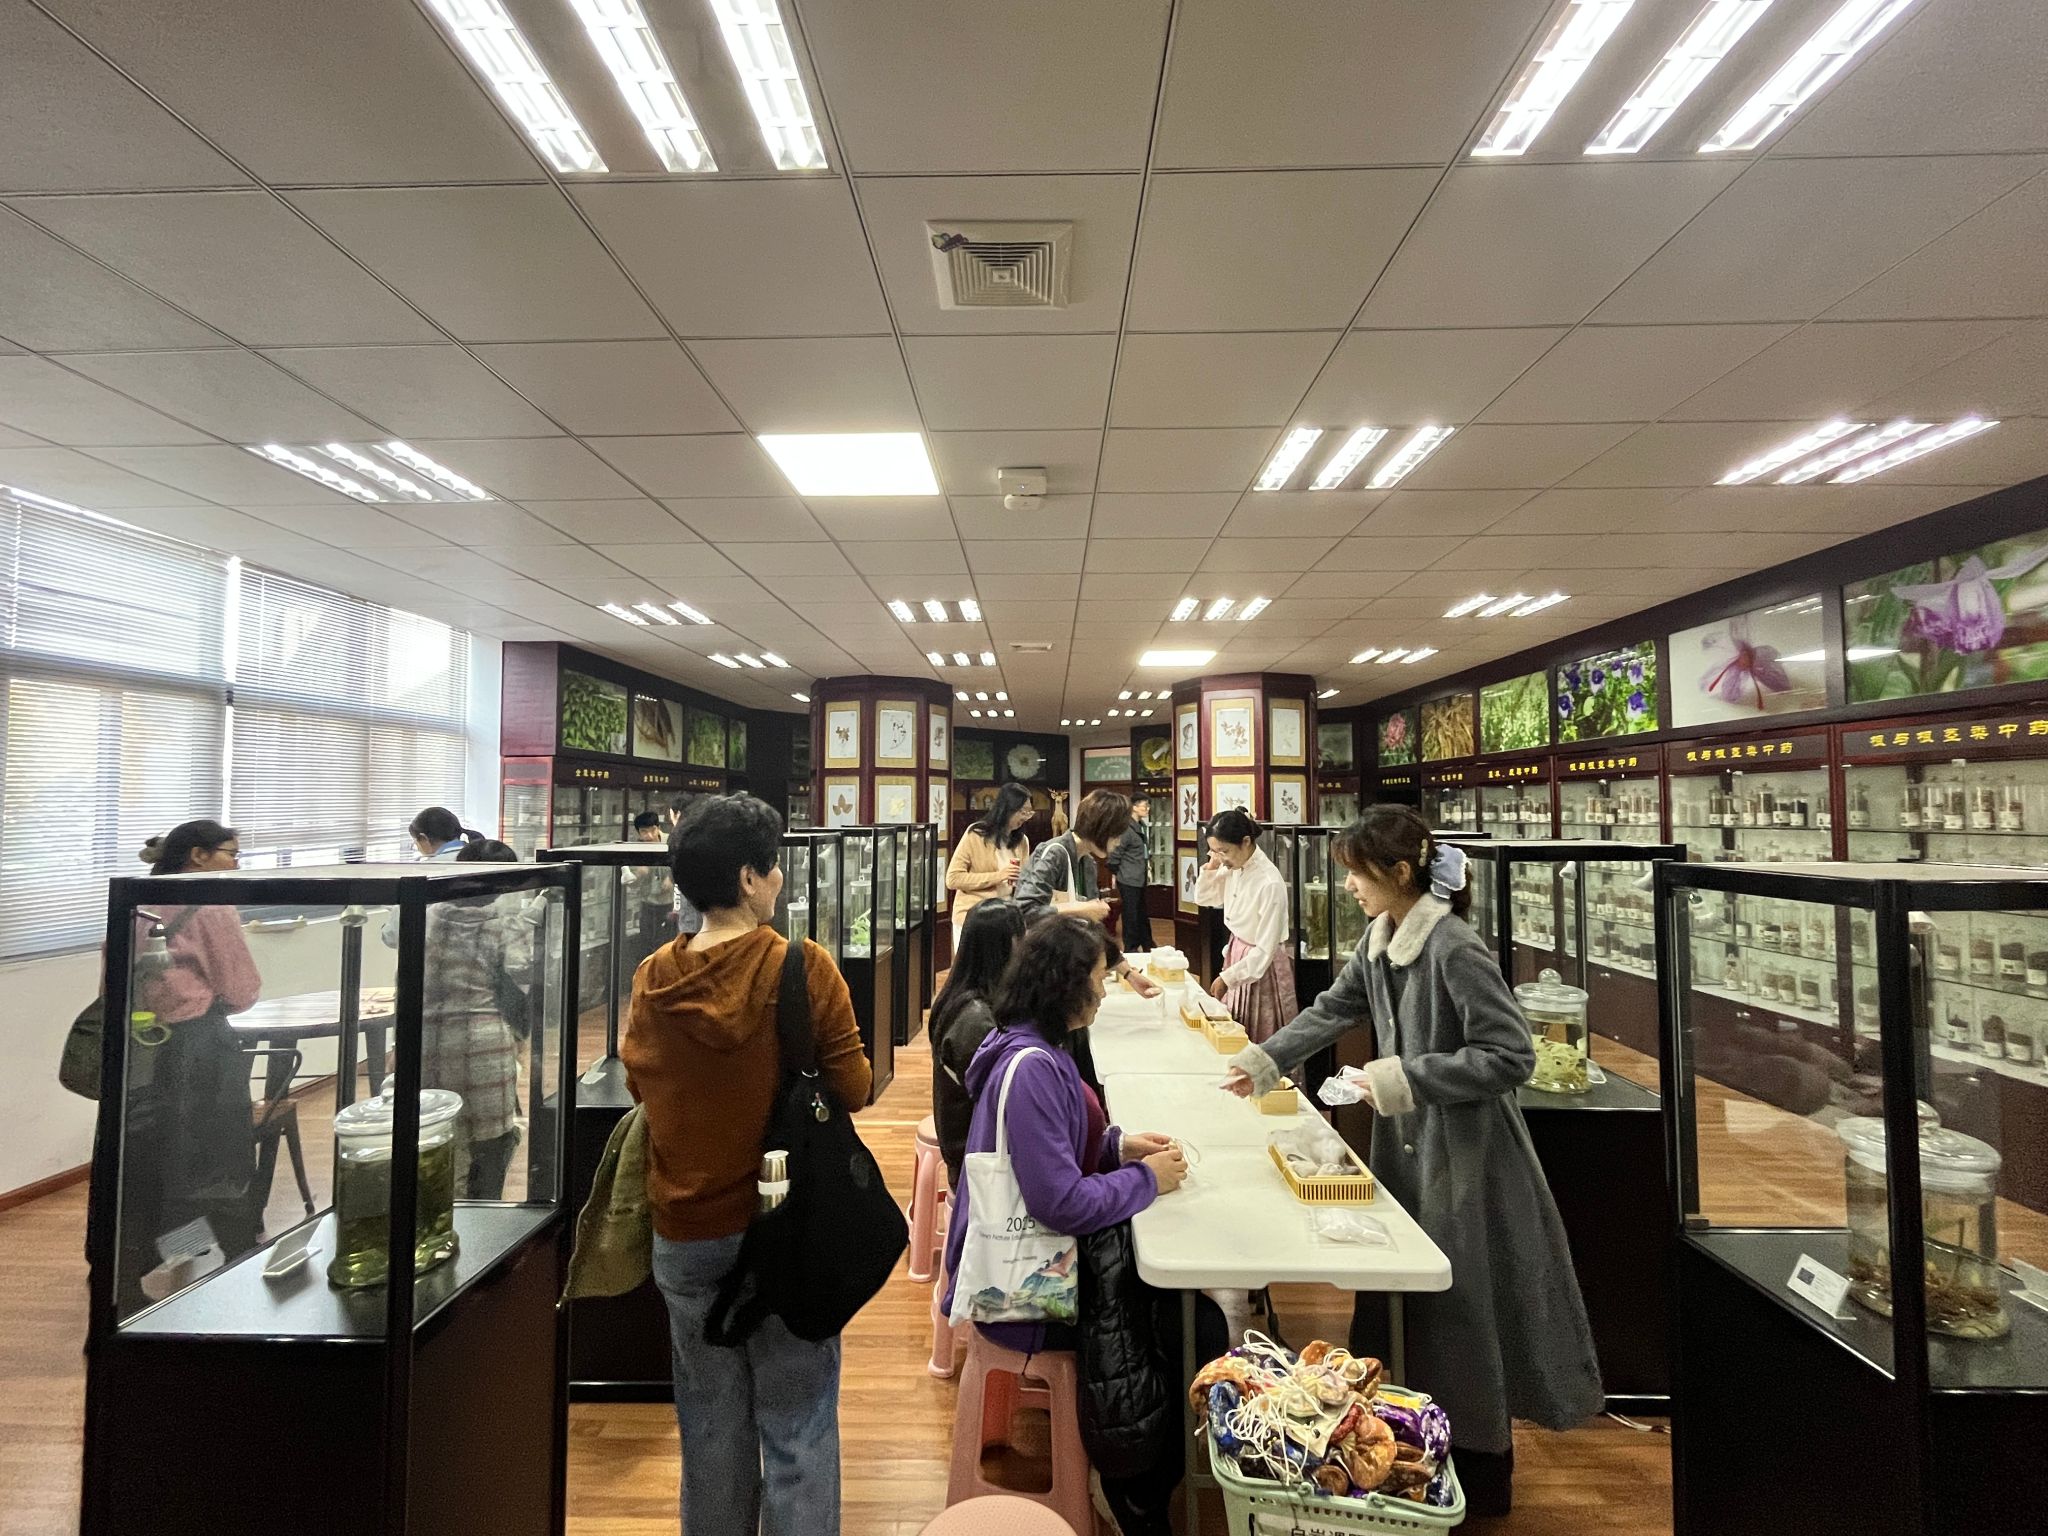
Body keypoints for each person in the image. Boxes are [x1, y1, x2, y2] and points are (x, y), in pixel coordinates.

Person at [1222, 806, 1601, 1517]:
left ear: (1400, 873)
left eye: (1359, 874)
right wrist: (1263, 1060)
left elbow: (1510, 1055)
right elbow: (1333, 1009)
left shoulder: (1454, 946)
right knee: (1407, 1297)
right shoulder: (1380, 939)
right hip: (1409, 1145)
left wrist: (1403, 1077)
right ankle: (1410, 1452)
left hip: (1467, 1155)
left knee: (1461, 1311)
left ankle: (1481, 1475)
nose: (1350, 887)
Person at [623, 794, 871, 1536]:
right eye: (774, 867)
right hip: (783, 1225)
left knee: (708, 1427)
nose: (780, 880)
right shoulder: (802, 966)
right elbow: (854, 1087)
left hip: (685, 1228)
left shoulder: (653, 979)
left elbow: (641, 1085)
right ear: (748, 878)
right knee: (799, 1423)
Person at [940, 915, 1188, 1535]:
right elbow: (1060, 1202)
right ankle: (1135, 1486)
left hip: (1035, 1264)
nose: (1104, 992)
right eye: (1098, 979)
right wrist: (1145, 1180)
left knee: (1172, 1305)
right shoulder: (1033, 1068)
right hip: (1024, 1295)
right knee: (1179, 1318)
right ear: (1065, 986)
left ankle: (1144, 1476)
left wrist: (1117, 1147)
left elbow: (1055, 1149)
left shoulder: (1032, 1047)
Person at [117, 821, 261, 1313]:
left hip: (138, 1049)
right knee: (215, 1160)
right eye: (231, 853)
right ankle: (235, 1261)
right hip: (198, 1049)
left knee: (144, 1165)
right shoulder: (210, 903)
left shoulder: (136, 901)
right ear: (198, 856)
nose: (236, 863)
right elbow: (241, 987)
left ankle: (126, 1277)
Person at [417, 839, 532, 1200]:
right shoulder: (504, 924)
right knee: (490, 1146)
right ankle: (483, 1219)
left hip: (428, 1042)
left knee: (439, 1143)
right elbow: (521, 981)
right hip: (486, 1046)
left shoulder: (428, 916)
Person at [929, 898, 1027, 1187]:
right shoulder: (976, 1020)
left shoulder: (968, 998)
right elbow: (1004, 1099)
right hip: (979, 1165)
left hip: (976, 1150)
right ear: (1005, 946)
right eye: (1022, 938)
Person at [1193, 809, 1297, 1044]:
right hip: (1237, 953)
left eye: (1224, 851)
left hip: (1260, 964)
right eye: (1215, 851)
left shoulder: (1269, 882)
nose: (1221, 857)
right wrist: (1212, 864)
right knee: (1235, 1025)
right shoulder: (1234, 866)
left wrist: (1228, 978)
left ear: (1246, 842)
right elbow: (1204, 898)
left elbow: (1265, 949)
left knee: (1258, 1032)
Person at [1012, 789, 1131, 923]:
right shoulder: (1054, 853)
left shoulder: (1088, 862)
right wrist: (1077, 909)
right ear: (1101, 828)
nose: (1118, 842)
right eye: (1116, 834)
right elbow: (1024, 911)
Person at [946, 782, 1031, 947]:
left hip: (1006, 919)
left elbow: (1024, 881)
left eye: (1029, 812)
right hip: (974, 918)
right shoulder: (976, 834)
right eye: (1022, 811)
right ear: (1007, 808)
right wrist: (998, 876)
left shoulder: (1022, 841)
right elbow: (953, 879)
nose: (1025, 817)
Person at [384, 806, 484, 946]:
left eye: (416, 842)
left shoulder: (426, 871)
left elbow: (394, 935)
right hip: (484, 946)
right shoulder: (483, 859)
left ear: (423, 838)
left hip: (442, 951)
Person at [1109, 796, 1154, 953]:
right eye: (1144, 806)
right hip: (1128, 879)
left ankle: (1147, 943)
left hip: (1139, 878)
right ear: (1133, 807)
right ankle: (1131, 947)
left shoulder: (1141, 826)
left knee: (1141, 913)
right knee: (1131, 915)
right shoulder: (1126, 828)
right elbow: (1114, 856)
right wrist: (1121, 873)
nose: (1147, 809)